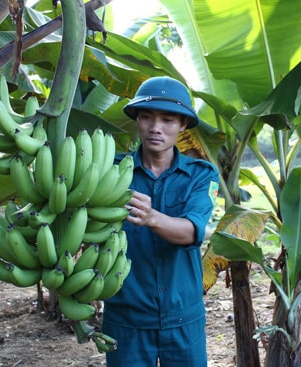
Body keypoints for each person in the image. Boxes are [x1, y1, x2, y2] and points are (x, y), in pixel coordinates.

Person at [101, 76, 220, 367]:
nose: (156, 128)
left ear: (182, 126)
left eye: (167, 120)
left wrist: (151, 217)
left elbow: (193, 231)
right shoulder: (109, 171)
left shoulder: (200, 175)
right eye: (146, 117)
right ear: (137, 120)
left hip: (183, 319)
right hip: (125, 319)